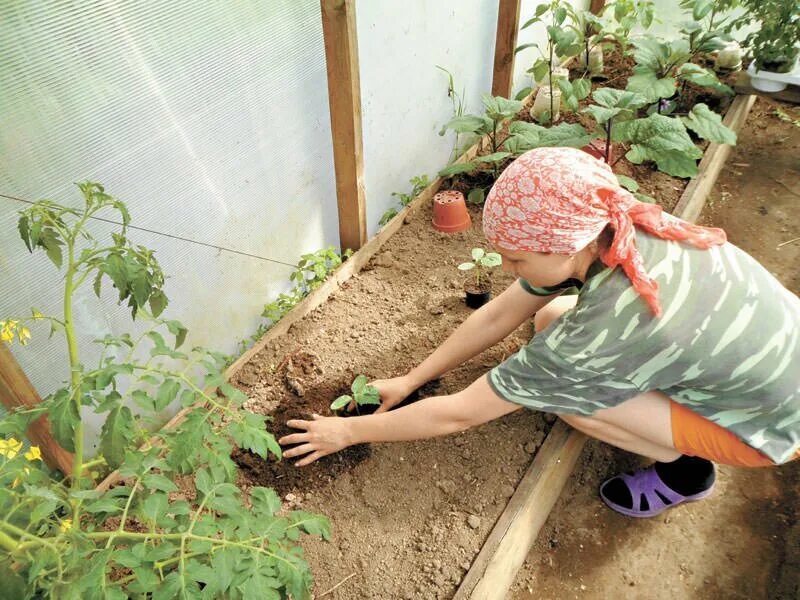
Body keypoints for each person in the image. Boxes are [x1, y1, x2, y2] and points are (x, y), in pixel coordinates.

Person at [279, 147, 800, 518]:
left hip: (766, 425)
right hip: (771, 359)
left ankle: (687, 473)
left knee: (567, 399)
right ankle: (670, 408)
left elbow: (459, 414)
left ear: (564, 245)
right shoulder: (620, 223)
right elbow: (498, 315)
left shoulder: (603, 329)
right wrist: (412, 378)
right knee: (549, 317)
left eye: (516, 258)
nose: (507, 268)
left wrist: (346, 432)